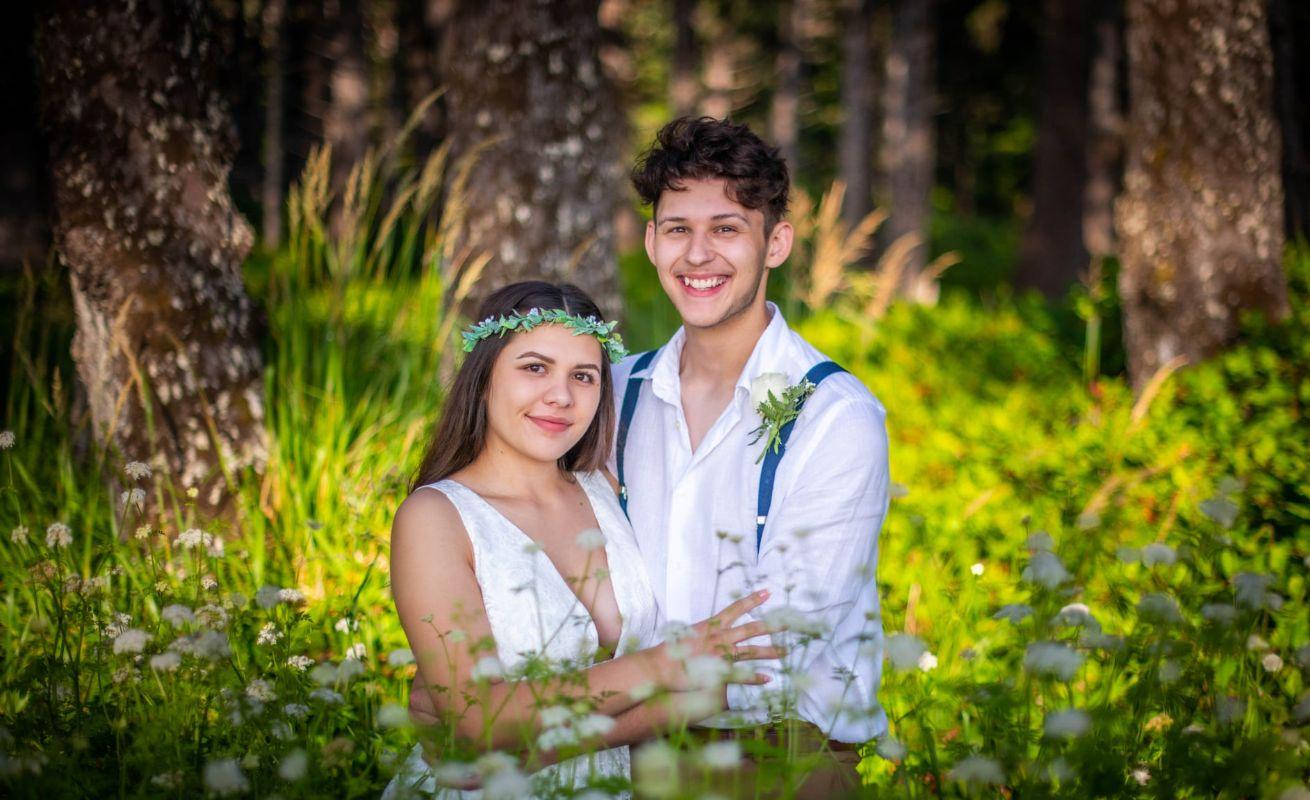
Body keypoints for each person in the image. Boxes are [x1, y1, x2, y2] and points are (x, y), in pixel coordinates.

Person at [384, 281, 786, 799]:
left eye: (583, 376)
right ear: (483, 378)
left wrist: (543, 749)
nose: (561, 396)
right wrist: (664, 668)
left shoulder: (607, 491)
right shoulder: (436, 518)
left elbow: (703, 689)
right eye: (535, 368)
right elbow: (478, 721)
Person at [611, 117, 890, 796]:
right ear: (651, 242)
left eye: (727, 228)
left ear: (777, 243)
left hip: (779, 753)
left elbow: (776, 646)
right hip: (625, 749)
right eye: (677, 229)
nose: (697, 254)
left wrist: (557, 727)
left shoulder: (835, 416)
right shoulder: (614, 393)